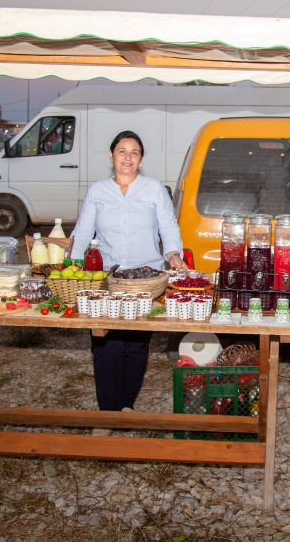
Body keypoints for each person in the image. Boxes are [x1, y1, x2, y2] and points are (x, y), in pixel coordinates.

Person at [70, 130, 185, 427]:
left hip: (146, 280)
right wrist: (72, 264)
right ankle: (107, 414)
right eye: (122, 151)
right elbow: (83, 231)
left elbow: (168, 226)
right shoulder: (98, 191)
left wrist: (173, 252)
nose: (128, 157)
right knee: (106, 343)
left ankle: (126, 406)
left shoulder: (153, 189)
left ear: (141, 159)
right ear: (111, 156)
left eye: (134, 152)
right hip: (107, 279)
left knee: (135, 344)